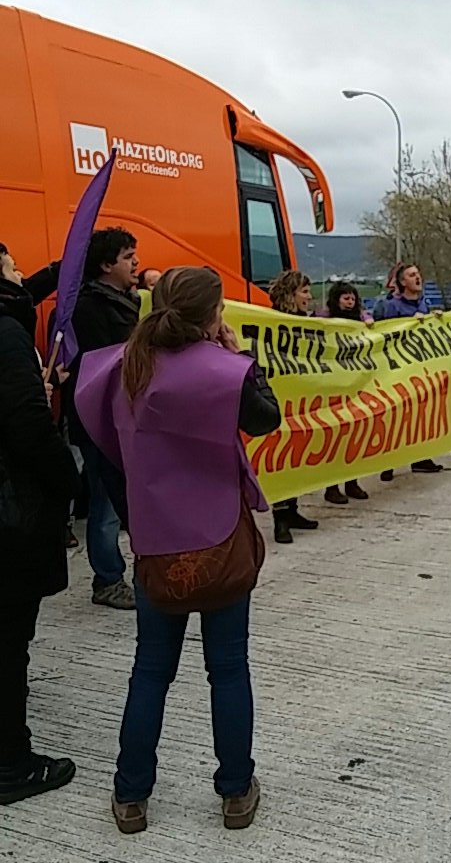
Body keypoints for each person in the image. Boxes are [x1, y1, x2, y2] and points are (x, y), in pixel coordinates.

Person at [75, 266, 280, 832]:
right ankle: (235, 790)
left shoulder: (124, 367)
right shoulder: (228, 371)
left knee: (150, 671)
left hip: (156, 543)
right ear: (213, 315)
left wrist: (135, 513)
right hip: (221, 539)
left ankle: (131, 795)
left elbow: (102, 446)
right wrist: (240, 358)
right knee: (228, 669)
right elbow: (267, 419)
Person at [0, 247, 80, 805]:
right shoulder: (7, 333)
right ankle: (12, 764)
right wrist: (67, 479)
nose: (19, 274)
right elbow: (27, 425)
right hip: (11, 514)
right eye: (10, 266)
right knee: (8, 645)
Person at [64, 227, 140, 610]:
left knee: (120, 502)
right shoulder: (90, 308)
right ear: (107, 265)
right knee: (106, 505)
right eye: (128, 257)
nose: (136, 263)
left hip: (125, 419)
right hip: (101, 422)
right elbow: (104, 368)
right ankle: (108, 580)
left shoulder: (129, 301)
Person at [268, 270, 320, 544]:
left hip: (303, 399)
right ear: (290, 294)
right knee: (281, 455)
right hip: (281, 398)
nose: (309, 297)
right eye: (304, 292)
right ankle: (280, 517)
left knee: (298, 453)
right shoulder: (271, 321)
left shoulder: (307, 322)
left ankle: (293, 509)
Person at [379, 263, 443, 479]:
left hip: (420, 369)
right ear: (402, 282)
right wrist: (409, 323)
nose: (418, 278)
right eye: (412, 275)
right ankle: (388, 462)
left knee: (420, 415)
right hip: (398, 370)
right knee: (396, 416)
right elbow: (385, 334)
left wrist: (436, 321)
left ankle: (420, 458)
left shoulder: (425, 304)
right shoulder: (392, 306)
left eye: (418, 274)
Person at [323, 281, 371, 504]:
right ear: (336, 300)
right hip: (333, 388)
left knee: (354, 437)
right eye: (346, 298)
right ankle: (332, 487)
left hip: (354, 387)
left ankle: (352, 482)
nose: (350, 302)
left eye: (353, 298)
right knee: (335, 439)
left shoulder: (361, 320)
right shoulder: (323, 320)